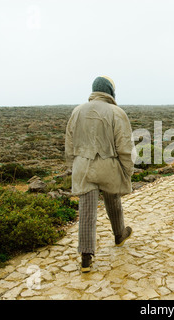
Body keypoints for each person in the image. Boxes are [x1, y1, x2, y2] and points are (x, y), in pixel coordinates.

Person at [65, 76, 135, 273]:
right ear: (110, 90)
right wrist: (127, 169)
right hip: (108, 164)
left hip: (83, 165)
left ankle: (86, 257)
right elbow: (124, 145)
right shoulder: (116, 112)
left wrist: (74, 163)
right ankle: (119, 234)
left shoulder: (77, 111)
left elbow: (69, 142)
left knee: (87, 211)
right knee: (113, 198)